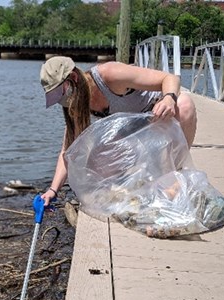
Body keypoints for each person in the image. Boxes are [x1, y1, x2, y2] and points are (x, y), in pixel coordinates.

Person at [37, 56, 198, 204]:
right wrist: (53, 190)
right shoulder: (75, 105)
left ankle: (173, 178)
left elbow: (169, 78)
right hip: (133, 134)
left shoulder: (109, 74)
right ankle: (137, 182)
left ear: (73, 78)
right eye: (54, 97)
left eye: (59, 93)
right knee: (93, 158)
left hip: (158, 119)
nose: (60, 101)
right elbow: (67, 152)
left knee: (184, 105)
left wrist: (169, 98)